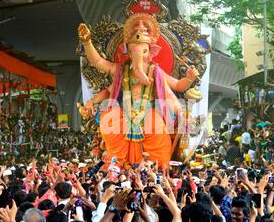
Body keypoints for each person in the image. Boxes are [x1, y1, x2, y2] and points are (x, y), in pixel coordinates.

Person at [78, 14, 199, 167]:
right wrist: (87, 42)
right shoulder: (121, 70)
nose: (139, 56)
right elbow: (97, 62)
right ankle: (118, 167)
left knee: (159, 135)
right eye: (134, 51)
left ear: (150, 52)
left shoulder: (155, 72)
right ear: (128, 52)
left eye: (144, 51)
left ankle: (157, 170)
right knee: (109, 122)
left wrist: (187, 82)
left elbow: (173, 92)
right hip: (124, 113)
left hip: (149, 114)